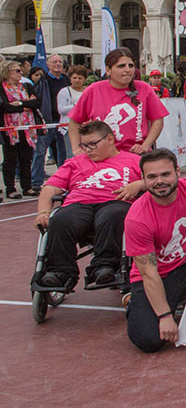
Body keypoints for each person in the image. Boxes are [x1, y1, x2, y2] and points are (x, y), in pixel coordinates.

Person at [34, 120, 143, 287]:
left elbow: (156, 180)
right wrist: (43, 212)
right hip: (80, 202)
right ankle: (60, 271)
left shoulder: (134, 160)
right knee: (61, 219)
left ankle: (104, 266)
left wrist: (138, 185)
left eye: (93, 144)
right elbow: (50, 189)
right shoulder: (75, 162)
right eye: (84, 145)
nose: (88, 150)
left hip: (115, 201)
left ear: (110, 139)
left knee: (113, 215)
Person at [124, 149, 186, 353]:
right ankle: (136, 302)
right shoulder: (138, 218)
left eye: (165, 174)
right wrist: (164, 316)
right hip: (157, 276)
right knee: (148, 340)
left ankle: (182, 296)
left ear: (177, 173)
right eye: (152, 177)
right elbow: (148, 273)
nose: (159, 181)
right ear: (143, 180)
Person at [69, 48, 168, 156]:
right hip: (102, 157)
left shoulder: (144, 88)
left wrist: (145, 145)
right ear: (108, 69)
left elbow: (158, 120)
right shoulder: (94, 90)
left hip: (135, 156)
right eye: (121, 66)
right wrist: (76, 148)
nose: (127, 70)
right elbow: (74, 121)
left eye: (131, 65)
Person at [1, 59, 39, 199]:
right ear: (7, 72)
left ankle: (27, 186)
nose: (20, 73)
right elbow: (5, 106)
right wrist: (24, 106)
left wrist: (20, 103)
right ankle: (10, 188)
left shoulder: (26, 86)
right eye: (17, 70)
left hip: (27, 128)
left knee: (26, 158)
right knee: (10, 159)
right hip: (10, 129)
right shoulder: (2, 88)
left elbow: (36, 102)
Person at [31, 54, 69, 192]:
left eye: (60, 62)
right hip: (47, 121)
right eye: (54, 62)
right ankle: (36, 182)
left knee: (63, 153)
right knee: (40, 151)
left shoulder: (67, 80)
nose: (58, 64)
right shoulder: (42, 81)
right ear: (48, 65)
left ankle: (63, 180)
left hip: (63, 122)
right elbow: (37, 100)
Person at [56, 65, 88, 157]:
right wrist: (77, 105)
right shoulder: (64, 91)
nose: (77, 80)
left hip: (86, 127)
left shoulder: (88, 90)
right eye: (74, 78)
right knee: (72, 155)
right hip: (69, 127)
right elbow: (61, 110)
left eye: (80, 78)